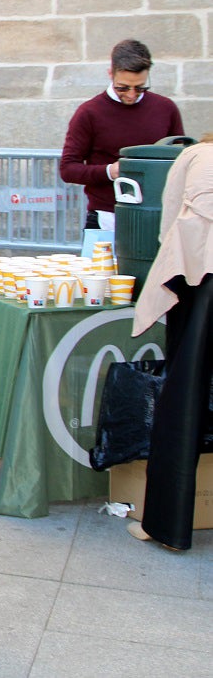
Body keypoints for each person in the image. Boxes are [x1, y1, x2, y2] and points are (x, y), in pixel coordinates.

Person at [131, 135, 213, 551]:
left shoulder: (196, 155)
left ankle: (167, 526)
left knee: (183, 402)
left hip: (200, 281)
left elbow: (171, 228)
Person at [60, 39, 185, 232]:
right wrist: (110, 171)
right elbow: (68, 169)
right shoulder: (89, 112)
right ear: (110, 73)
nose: (131, 94)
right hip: (107, 217)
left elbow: (180, 159)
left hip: (158, 214)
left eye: (140, 87)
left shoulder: (166, 108)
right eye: (123, 87)